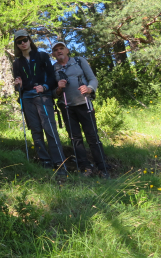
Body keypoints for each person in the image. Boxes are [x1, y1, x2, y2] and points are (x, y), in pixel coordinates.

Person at [12, 30, 67, 175]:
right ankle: (45, 161)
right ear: (16, 45)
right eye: (19, 41)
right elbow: (18, 84)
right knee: (35, 129)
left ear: (29, 40)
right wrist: (18, 84)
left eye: (24, 40)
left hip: (43, 95)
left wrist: (45, 87)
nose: (23, 43)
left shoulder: (42, 55)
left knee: (49, 127)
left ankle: (59, 162)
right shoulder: (17, 63)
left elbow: (51, 76)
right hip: (26, 97)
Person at [52, 42, 109, 178]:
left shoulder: (79, 61)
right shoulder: (52, 69)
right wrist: (59, 88)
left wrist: (89, 89)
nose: (59, 51)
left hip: (84, 104)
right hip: (66, 107)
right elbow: (52, 93)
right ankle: (85, 168)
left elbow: (92, 79)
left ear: (67, 50)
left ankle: (103, 168)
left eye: (61, 48)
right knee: (75, 138)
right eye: (56, 50)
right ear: (53, 54)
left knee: (93, 137)